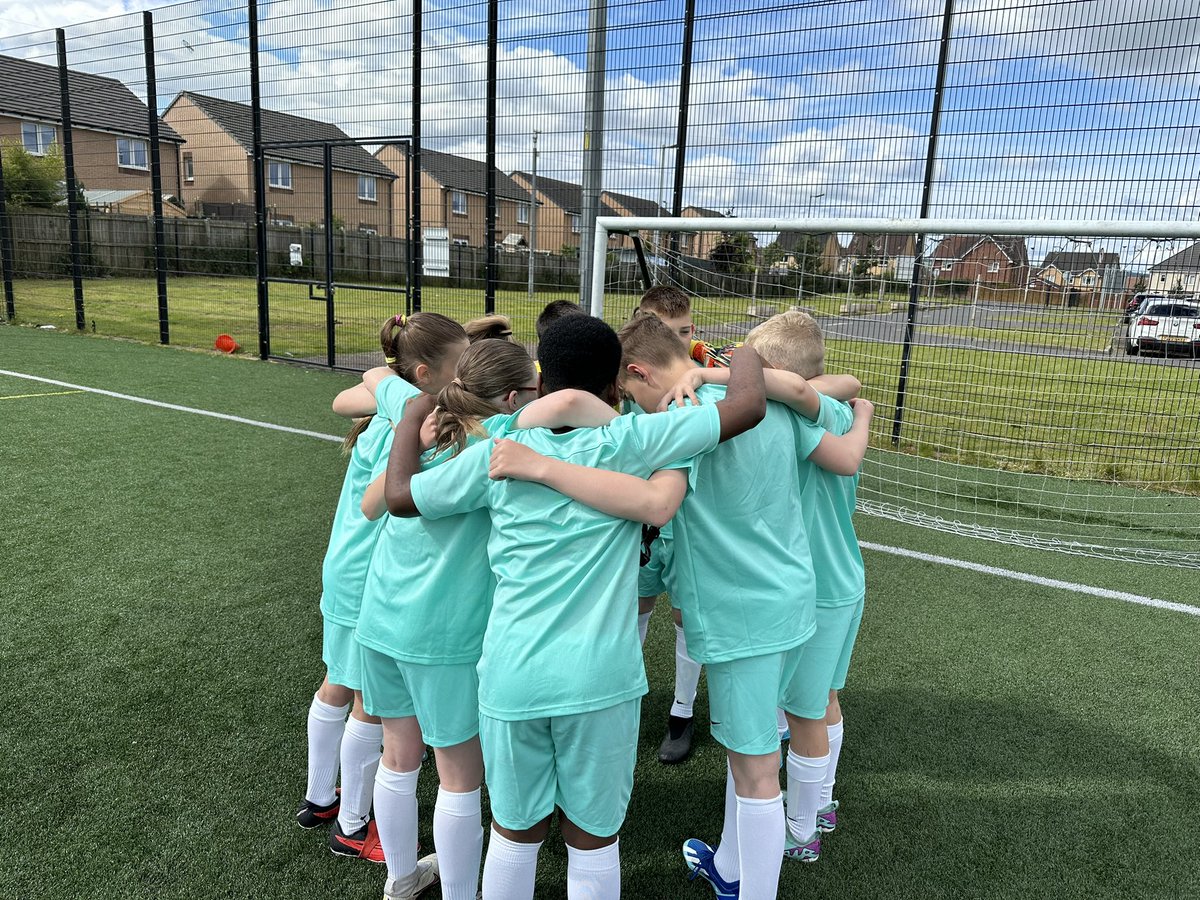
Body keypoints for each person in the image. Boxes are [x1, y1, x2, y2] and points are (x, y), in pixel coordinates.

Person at [384, 315, 769, 900]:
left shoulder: (502, 446)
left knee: (514, 833)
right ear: (614, 382)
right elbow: (748, 406)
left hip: (512, 676)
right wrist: (732, 352)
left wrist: (413, 415)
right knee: (593, 840)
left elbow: (400, 499)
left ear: (542, 376)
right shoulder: (634, 440)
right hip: (600, 680)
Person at [355, 339, 562, 900]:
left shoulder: (428, 426)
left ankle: (400, 879)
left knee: (397, 755)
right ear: (518, 395)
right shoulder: (500, 441)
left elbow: (373, 503)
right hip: (442, 633)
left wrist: (415, 428)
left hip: (381, 615)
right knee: (458, 774)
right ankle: (458, 893)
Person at [300, 313, 469, 869]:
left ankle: (320, 800)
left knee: (339, 686)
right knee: (367, 708)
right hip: (368, 579)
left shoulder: (390, 402)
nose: (465, 375)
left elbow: (365, 385)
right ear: (425, 374)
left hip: (345, 566)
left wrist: (389, 375)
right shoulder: (411, 417)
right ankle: (352, 825)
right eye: (458, 366)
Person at [741, 312, 872, 862]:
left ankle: (802, 831)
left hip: (812, 587)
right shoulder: (839, 410)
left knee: (804, 714)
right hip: (846, 577)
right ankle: (821, 804)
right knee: (825, 701)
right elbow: (847, 386)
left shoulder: (789, 417)